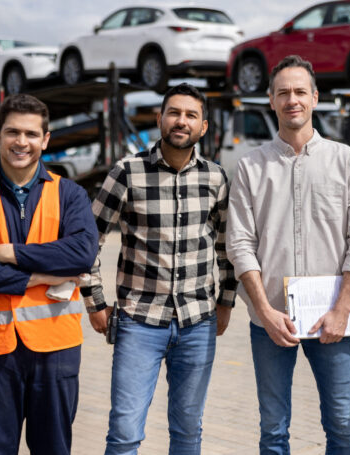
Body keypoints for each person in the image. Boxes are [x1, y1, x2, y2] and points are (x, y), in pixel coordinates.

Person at [226, 55, 350, 455]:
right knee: (273, 431)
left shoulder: (345, 161)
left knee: (341, 425)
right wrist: (264, 310)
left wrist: (343, 309)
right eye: (283, 93)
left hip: (333, 317)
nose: (292, 99)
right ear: (271, 101)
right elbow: (240, 244)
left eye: (299, 91)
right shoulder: (249, 167)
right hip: (271, 320)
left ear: (314, 97)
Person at [82, 83, 237, 455]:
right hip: (139, 321)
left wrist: (226, 301)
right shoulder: (127, 172)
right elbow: (88, 240)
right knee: (124, 433)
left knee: (187, 432)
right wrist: (95, 301)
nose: (181, 121)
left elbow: (226, 246)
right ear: (159, 119)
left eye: (190, 115)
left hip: (198, 322)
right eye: (174, 113)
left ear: (203, 127)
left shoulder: (215, 178)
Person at [0, 94, 98, 454]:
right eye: (12, 132)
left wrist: (7, 253)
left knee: (53, 449)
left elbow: (81, 254)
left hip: (55, 350)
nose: (21, 142)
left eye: (31, 134)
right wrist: (35, 278)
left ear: (45, 139)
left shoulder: (70, 195)